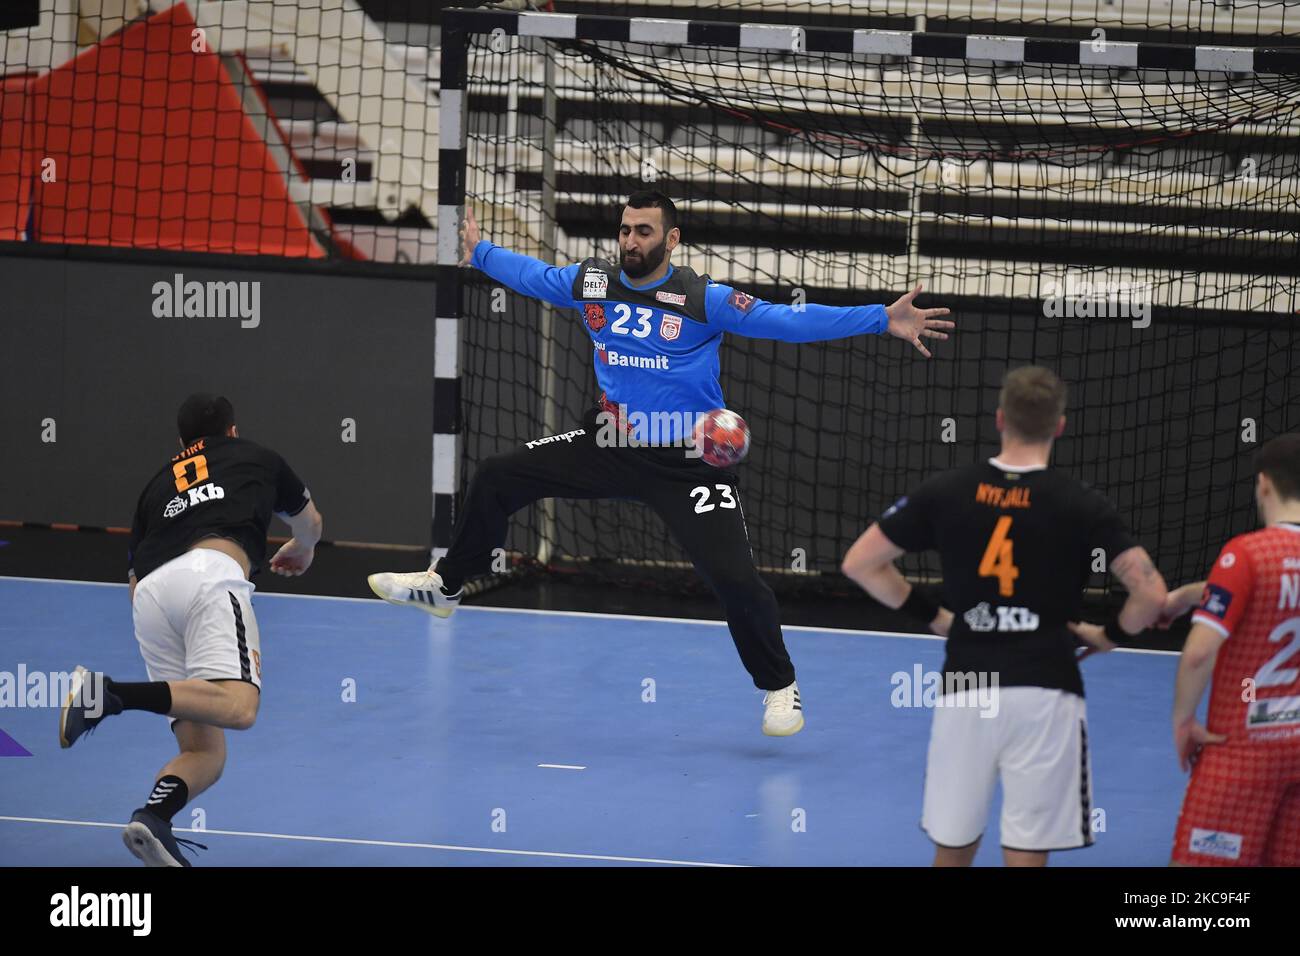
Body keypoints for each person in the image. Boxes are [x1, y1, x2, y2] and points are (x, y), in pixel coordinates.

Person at [369, 189, 954, 736]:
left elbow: (789, 321)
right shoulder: (592, 282)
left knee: (735, 579)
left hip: (688, 461)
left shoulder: (705, 299)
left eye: (643, 231)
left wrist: (881, 316)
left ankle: (780, 687)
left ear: (671, 240)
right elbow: (534, 276)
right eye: (624, 230)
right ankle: (445, 587)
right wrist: (481, 252)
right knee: (498, 474)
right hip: (610, 443)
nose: (629, 241)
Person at [842, 366, 1167, 865]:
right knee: (1027, 850)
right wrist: (1107, 636)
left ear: (999, 419)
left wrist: (938, 618)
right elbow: (1150, 593)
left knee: (952, 848)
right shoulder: (1081, 503)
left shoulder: (947, 490)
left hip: (968, 681)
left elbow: (860, 563)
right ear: (1059, 426)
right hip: (1047, 683)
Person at [59, 393, 323, 866]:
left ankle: (154, 818)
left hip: (150, 600)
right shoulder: (257, 457)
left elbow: (134, 582)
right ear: (233, 431)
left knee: (205, 750)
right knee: (240, 709)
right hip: (210, 575)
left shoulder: (156, 485)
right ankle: (109, 694)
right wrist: (302, 549)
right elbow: (310, 521)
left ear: (182, 442)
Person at [1160, 433, 1300, 866]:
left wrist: (1184, 721)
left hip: (1244, 748)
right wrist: (1190, 593)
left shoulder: (1248, 553)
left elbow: (1200, 653)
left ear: (1262, 484)